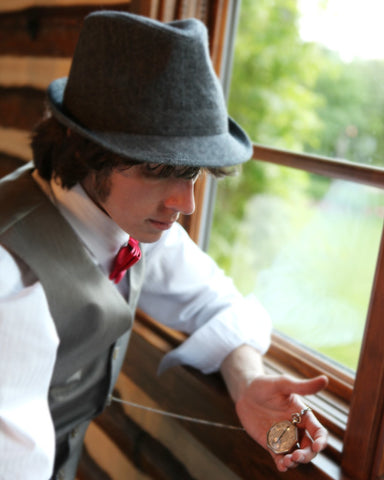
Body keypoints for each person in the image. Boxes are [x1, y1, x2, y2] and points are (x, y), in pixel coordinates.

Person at [0, 10, 328, 480]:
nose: (186, 203)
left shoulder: (130, 222)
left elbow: (217, 304)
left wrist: (247, 379)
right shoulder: (9, 274)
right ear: (82, 146)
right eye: (158, 169)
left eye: (192, 172)